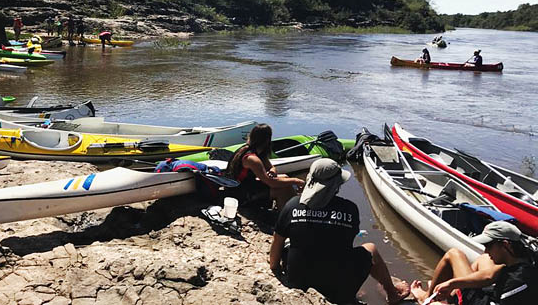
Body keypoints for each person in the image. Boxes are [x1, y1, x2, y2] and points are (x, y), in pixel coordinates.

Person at [270, 158, 410, 304]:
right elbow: (344, 245)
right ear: (337, 185)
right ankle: (392, 294)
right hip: (337, 289)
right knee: (371, 249)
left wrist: (275, 269)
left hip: (298, 282)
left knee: (290, 241)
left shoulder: (292, 206)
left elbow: (276, 241)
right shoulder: (349, 209)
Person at [410, 221, 537, 305]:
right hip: (490, 295)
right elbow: (488, 276)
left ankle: (427, 299)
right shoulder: (526, 256)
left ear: (505, 245)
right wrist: (452, 283)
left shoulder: (517, 282)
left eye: (488, 245)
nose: (485, 250)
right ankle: (452, 294)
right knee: (483, 259)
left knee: (453, 254)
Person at [225, 124, 306, 209]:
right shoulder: (252, 159)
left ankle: (291, 209)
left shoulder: (256, 151)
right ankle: (286, 216)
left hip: (247, 185)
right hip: (240, 194)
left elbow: (271, 167)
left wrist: (272, 171)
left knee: (285, 177)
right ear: (267, 140)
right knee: (283, 189)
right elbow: (271, 183)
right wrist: (296, 181)